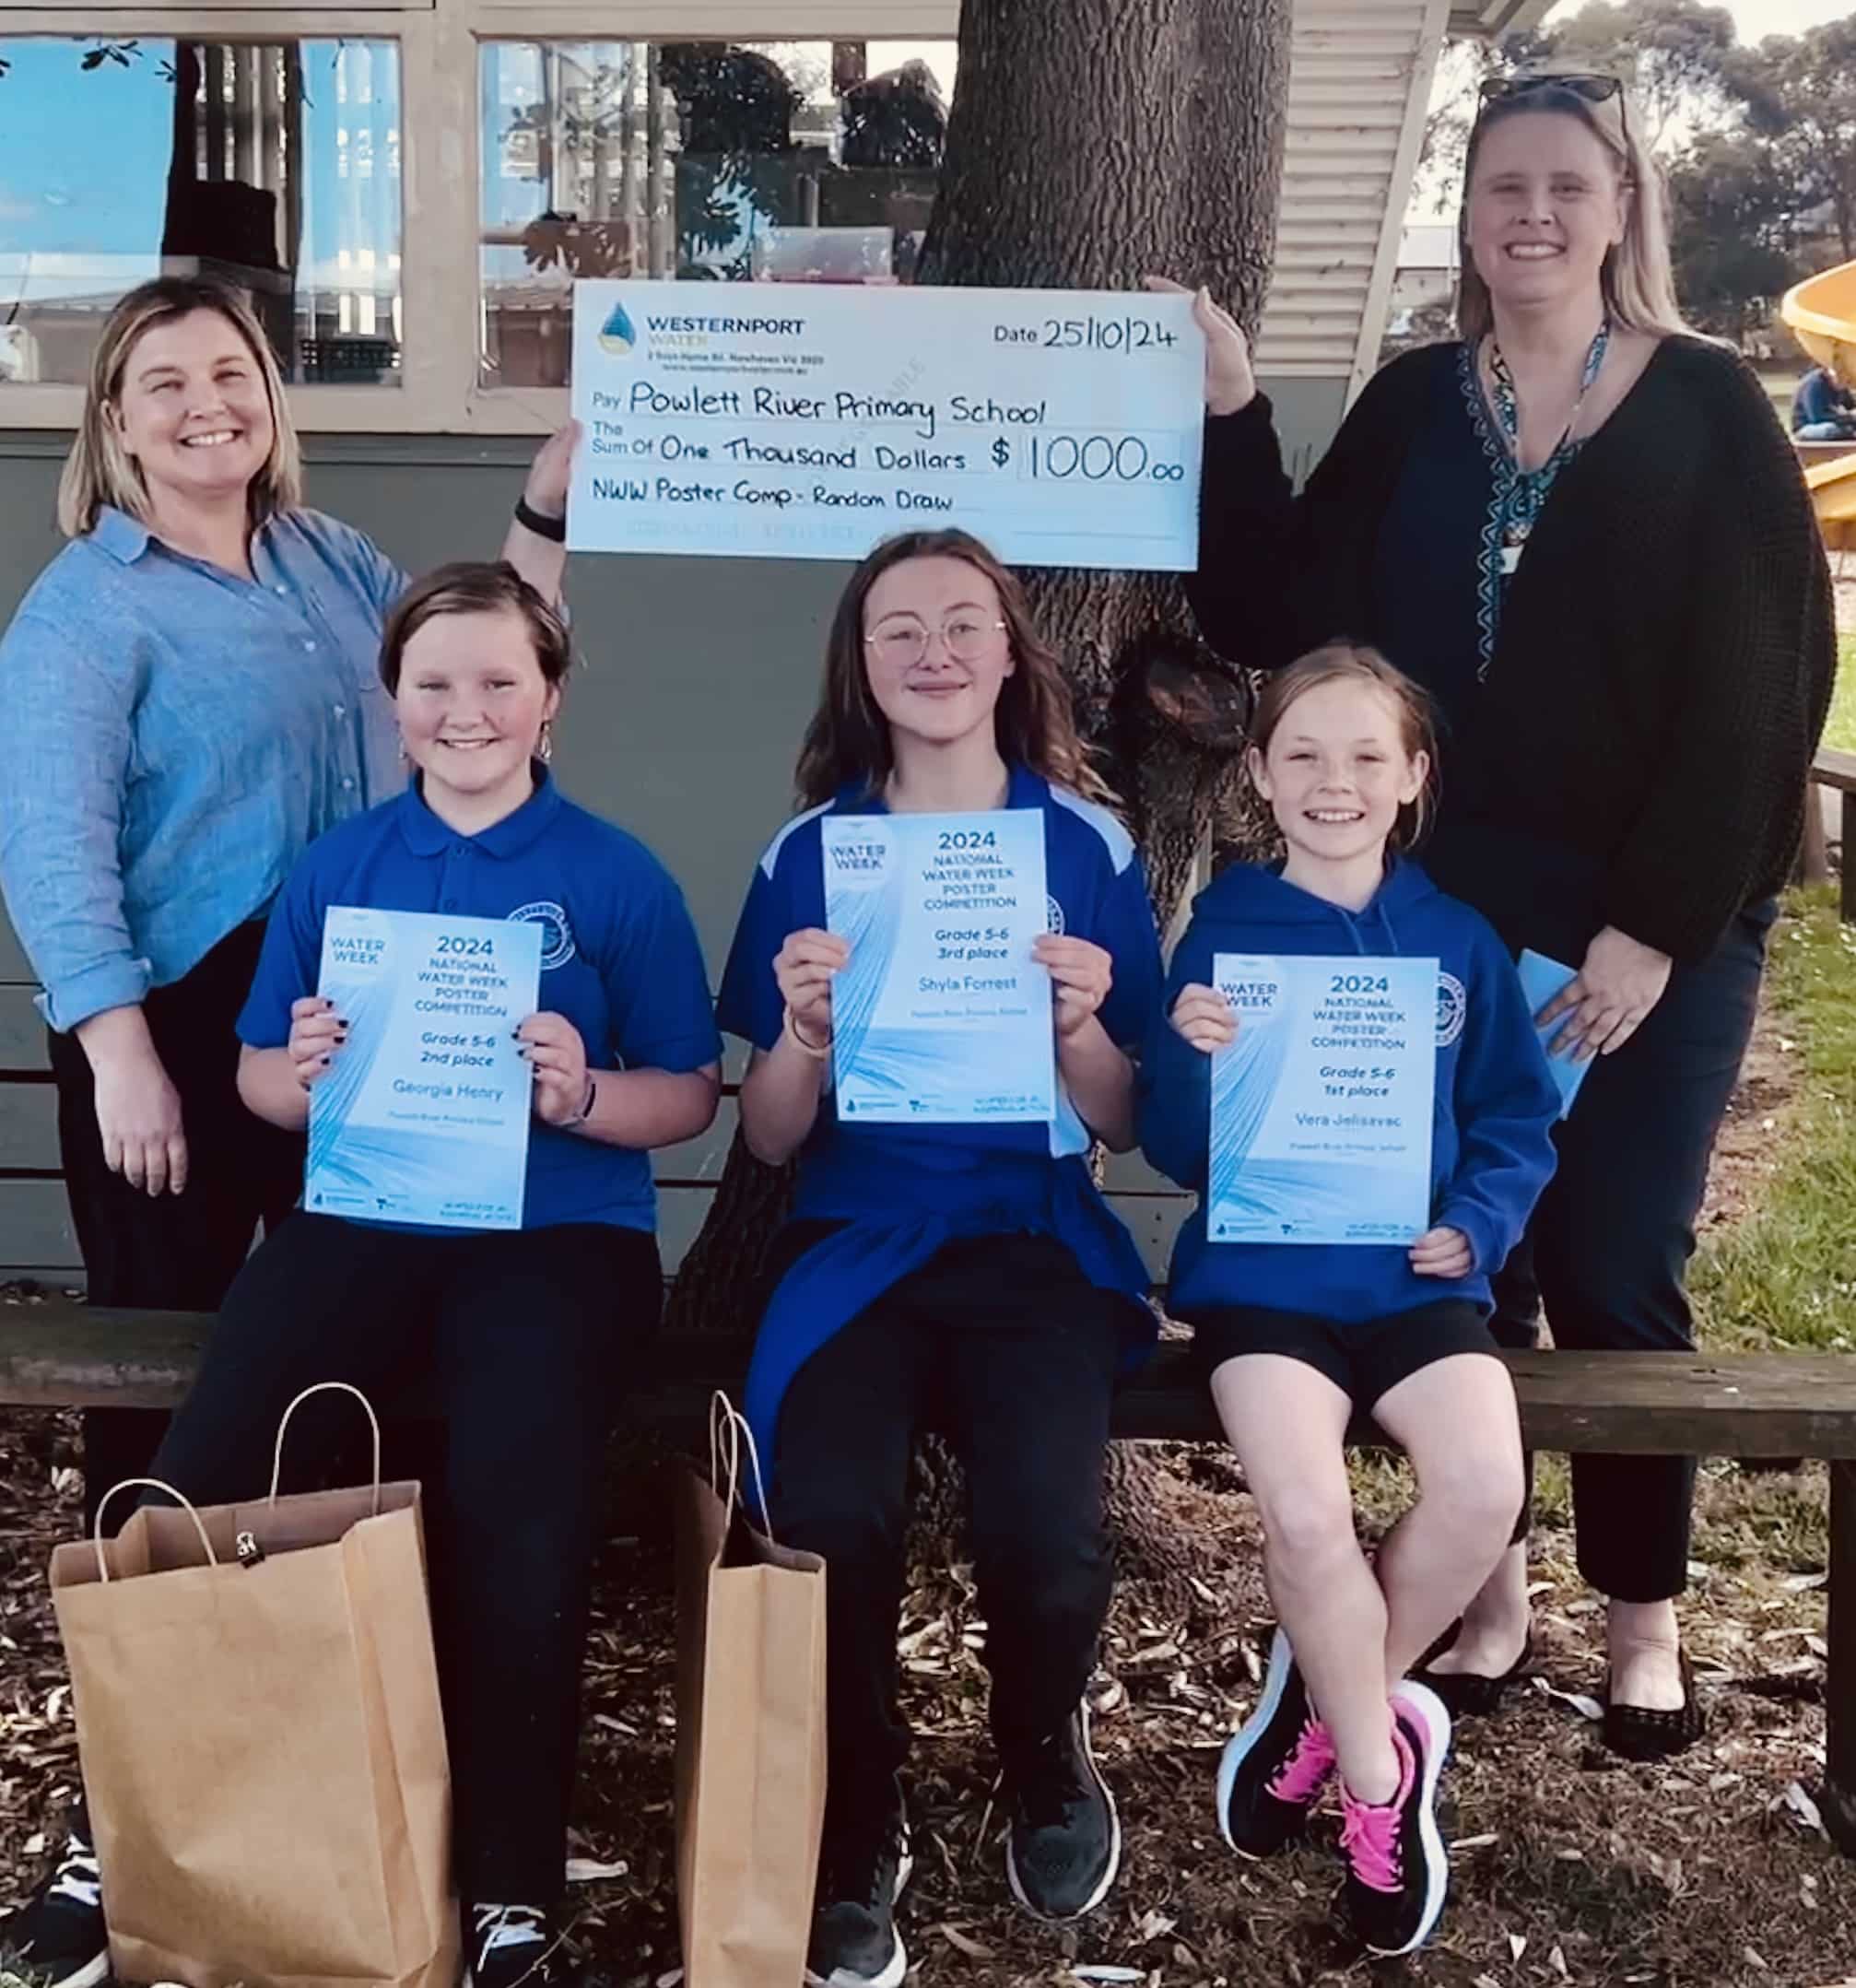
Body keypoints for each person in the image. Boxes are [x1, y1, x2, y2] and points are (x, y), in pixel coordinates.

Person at [1160, 67, 1834, 1755]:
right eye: (1499, 187)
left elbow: (1761, 689)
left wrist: (1653, 923)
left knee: (1615, 1255)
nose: (1530, 214)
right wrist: (1230, 403)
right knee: (1475, 1257)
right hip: (1448, 929)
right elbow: (1267, 599)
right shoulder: (1408, 406)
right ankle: (1485, 1584)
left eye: (1565, 185)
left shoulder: (1703, 410)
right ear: (1462, 216)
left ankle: (1642, 1620)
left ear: (1620, 210)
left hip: (1648, 929)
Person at [1, 563, 722, 1988]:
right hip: (366, 1216)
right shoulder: (342, 868)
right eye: (434, 684)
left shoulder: (614, 873)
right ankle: (120, 1833)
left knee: (524, 1501)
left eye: (498, 681)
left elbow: (689, 1094)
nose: (467, 710)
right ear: (392, 705)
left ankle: (507, 1884)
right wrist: (296, 1068)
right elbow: (264, 1083)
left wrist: (583, 1095)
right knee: (200, 1466)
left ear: (550, 700)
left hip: (553, 1239)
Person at [0, 273, 580, 1540]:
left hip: (364, 997)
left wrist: (546, 503)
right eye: (166, 383)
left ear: (269, 398)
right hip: (180, 1024)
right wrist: (122, 1061)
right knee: (169, 1359)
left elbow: (480, 661)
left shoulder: (332, 563)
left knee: (373, 1332)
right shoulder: (84, 614)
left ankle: (355, 1645)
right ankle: (157, 1658)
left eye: (231, 375)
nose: (206, 406)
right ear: (113, 419)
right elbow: (53, 854)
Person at [716, 529, 1164, 1988]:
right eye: (897, 626)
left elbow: (1122, 1115)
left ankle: (1042, 1745)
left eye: (962, 622)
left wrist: (1078, 1028)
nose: (932, 649)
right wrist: (799, 1039)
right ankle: (857, 1814)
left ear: (1008, 651)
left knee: (1044, 1539)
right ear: (859, 663)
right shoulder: (811, 856)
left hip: (1029, 1233)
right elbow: (773, 1143)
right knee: (832, 1520)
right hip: (855, 1240)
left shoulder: (1084, 848)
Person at [1139, 644, 1559, 1957]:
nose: (1335, 782)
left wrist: (1474, 1225)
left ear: (1412, 777)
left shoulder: (1456, 941)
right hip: (1267, 1286)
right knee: (1309, 1512)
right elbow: (1172, 1144)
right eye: (1303, 755)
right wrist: (1186, 1054)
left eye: (1366, 755)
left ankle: (1333, 1706)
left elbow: (1512, 1117)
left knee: (1485, 1487)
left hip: (1414, 1282)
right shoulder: (1222, 929)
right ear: (1258, 776)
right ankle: (1382, 1790)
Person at [1791, 364, 1856, 443]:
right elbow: (1816, 418)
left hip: (1834, 422)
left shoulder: (1842, 385)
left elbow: (1850, 406)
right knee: (1833, 429)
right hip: (1807, 427)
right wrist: (1849, 417)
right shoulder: (1814, 384)